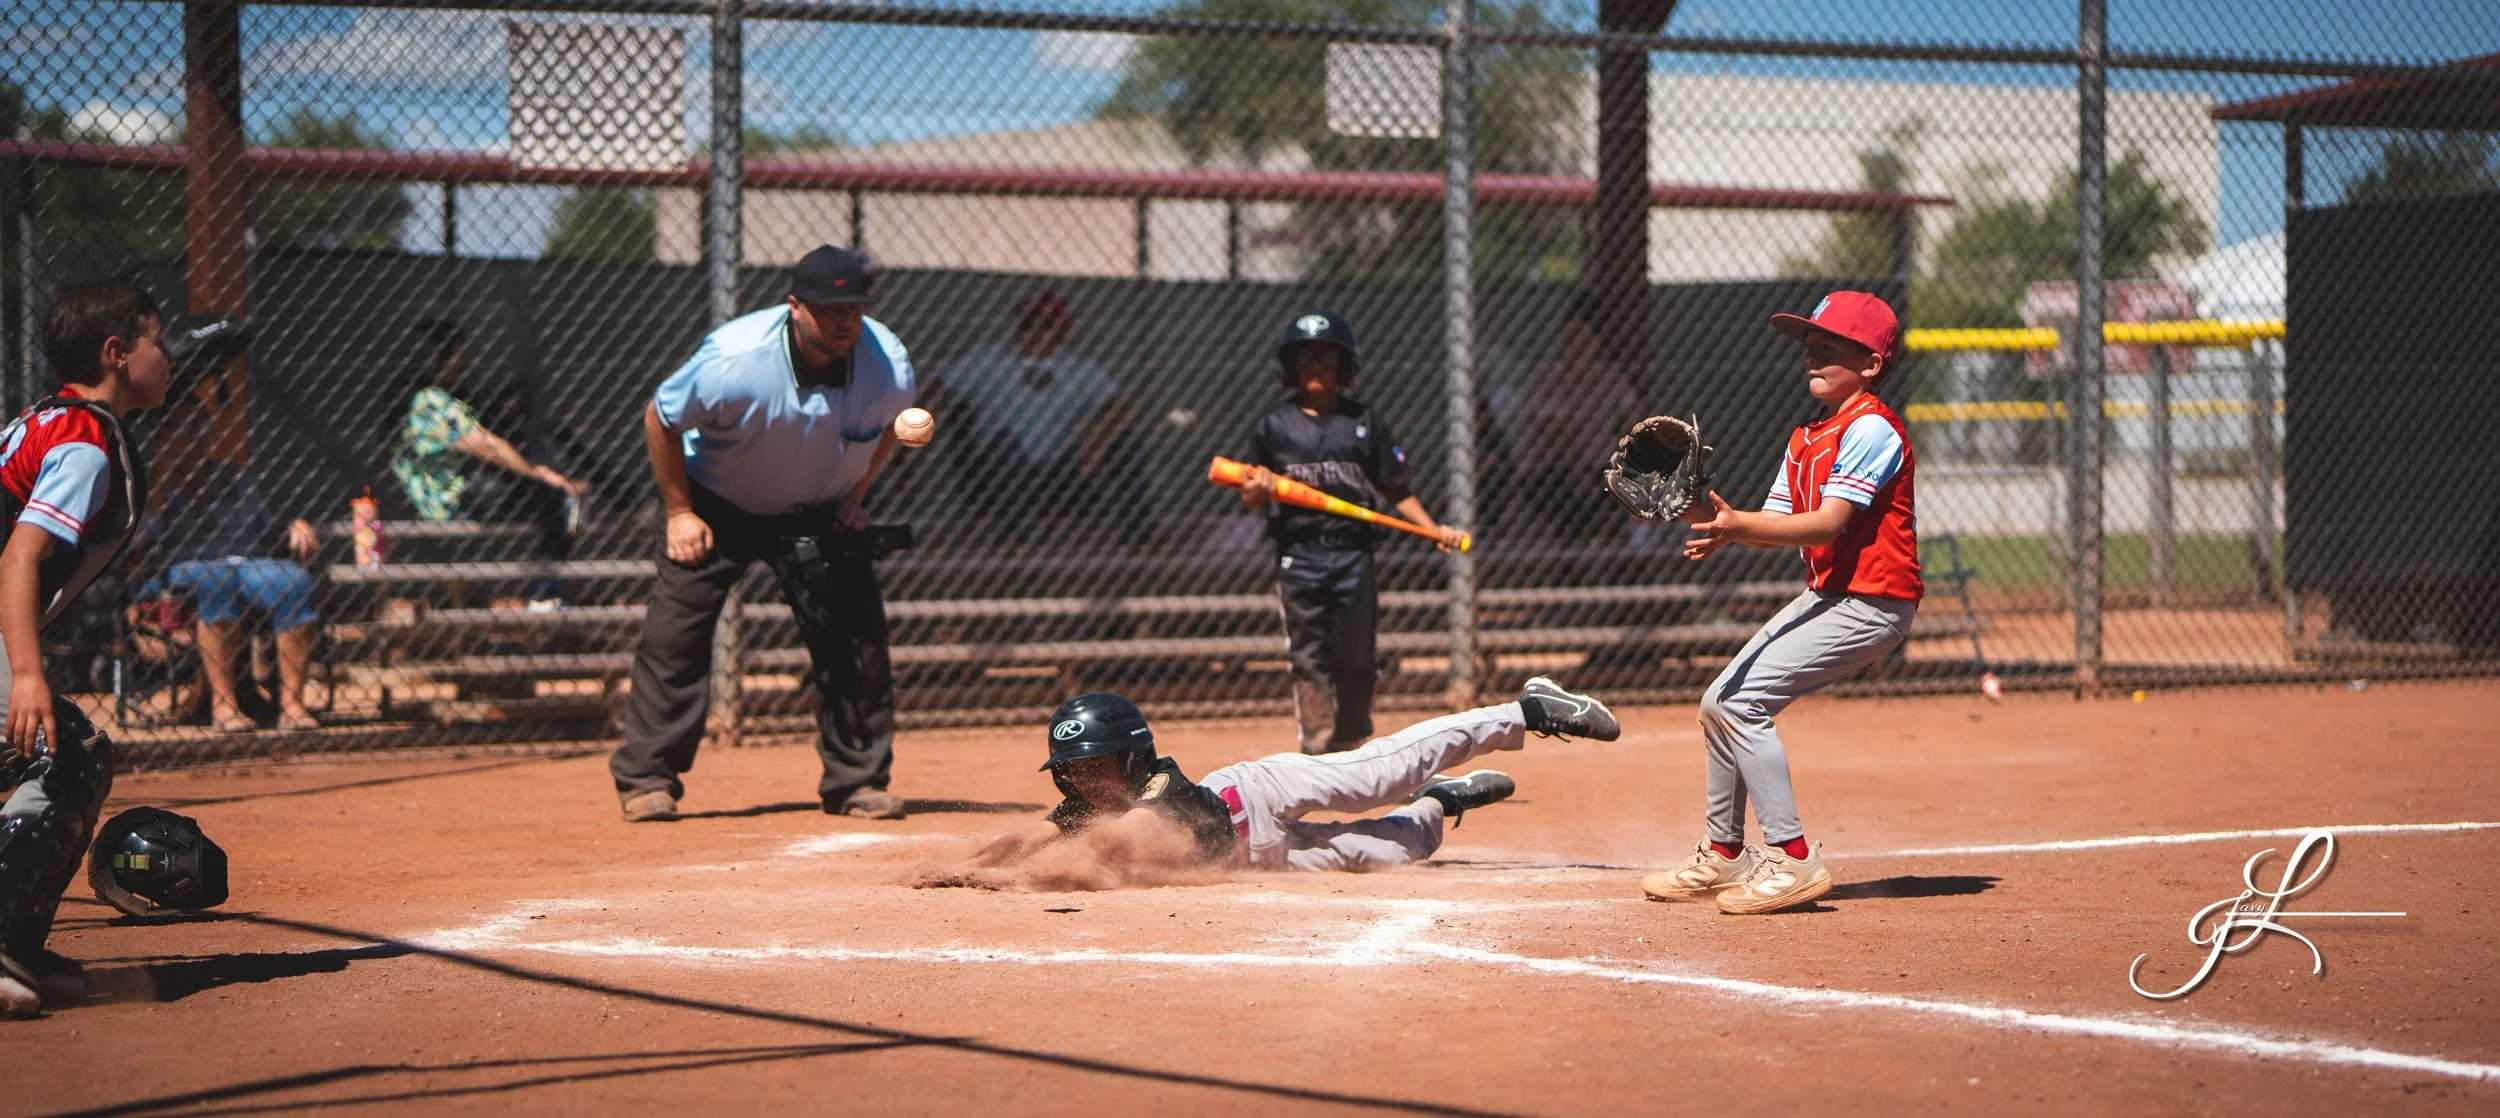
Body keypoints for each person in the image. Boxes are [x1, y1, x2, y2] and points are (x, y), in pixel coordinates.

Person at [609, 245, 916, 823]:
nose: (846, 320)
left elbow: (886, 433)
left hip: (819, 505)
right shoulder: (735, 358)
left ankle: (857, 780)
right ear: (794, 307)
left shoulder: (888, 362)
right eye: (830, 308)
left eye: (855, 307)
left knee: (855, 640)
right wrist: (680, 512)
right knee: (675, 638)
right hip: (717, 501)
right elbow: (662, 418)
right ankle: (648, 778)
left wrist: (855, 498)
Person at [1644, 291, 1922, 915]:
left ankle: (1793, 860)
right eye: (1809, 343)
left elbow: (1826, 525)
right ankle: (1724, 852)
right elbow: (1773, 521)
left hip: (1874, 602)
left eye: (1832, 345)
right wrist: (1697, 509)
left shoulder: (1871, 427)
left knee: (1745, 703)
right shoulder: (1805, 436)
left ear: (1872, 363)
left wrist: (1736, 525)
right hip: (1830, 595)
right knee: (1718, 701)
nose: (1813, 353)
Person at [970, 677, 1621, 875]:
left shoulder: (1156, 790)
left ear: (1133, 757)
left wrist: (1062, 861)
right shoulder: (1087, 806)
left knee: (1383, 775)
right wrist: (978, 866)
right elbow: (1036, 832)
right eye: (1073, 774)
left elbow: (1129, 834)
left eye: (1097, 767)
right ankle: (1443, 801)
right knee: (1397, 849)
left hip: (1260, 791)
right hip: (1262, 857)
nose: (1084, 784)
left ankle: (1525, 710)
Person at [0, 280, 173, 1016]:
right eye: (157, 342)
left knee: (73, 752)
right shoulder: (86, 442)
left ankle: (17, 945)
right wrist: (29, 676)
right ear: (115, 353)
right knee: (62, 751)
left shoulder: (47, 420)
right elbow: (20, 559)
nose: (168, 357)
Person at [1232, 309, 1466, 755]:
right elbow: (1253, 497)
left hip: (1354, 557)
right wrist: (1256, 491)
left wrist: (1433, 530)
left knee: (1357, 660)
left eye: (1325, 356)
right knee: (1309, 657)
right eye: (1305, 357)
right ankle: (1318, 752)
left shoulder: (1364, 421)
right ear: (1289, 366)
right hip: (1299, 557)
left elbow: (1395, 489)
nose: (1315, 365)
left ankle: (1352, 740)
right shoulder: (1274, 425)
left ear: (1345, 365)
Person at [928, 289, 1151, 546]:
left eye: (1044, 325)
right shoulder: (988, 359)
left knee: (1127, 442)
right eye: (1026, 324)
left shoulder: (1076, 368)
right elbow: (938, 389)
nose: (1031, 332)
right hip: (998, 470)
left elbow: (1120, 406)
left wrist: (1096, 445)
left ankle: (1140, 535)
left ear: (1061, 331)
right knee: (1005, 441)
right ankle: (1014, 540)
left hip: (1058, 472)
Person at [389, 320, 587, 604]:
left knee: (547, 490)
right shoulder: (429, 400)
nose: (462, 362)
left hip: (453, 495)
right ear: (436, 360)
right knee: (557, 498)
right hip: (452, 502)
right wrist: (538, 473)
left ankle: (546, 589)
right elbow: (485, 444)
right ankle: (544, 596)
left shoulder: (416, 398)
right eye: (456, 355)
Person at [132, 451, 324, 734]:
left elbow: (269, 527)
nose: (194, 435)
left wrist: (294, 524)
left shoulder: (235, 477)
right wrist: (159, 489)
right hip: (181, 564)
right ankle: (224, 706)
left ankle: (292, 705)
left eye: (200, 426)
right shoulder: (154, 478)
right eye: (183, 427)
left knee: (294, 581)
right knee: (215, 580)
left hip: (246, 562)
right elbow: (139, 539)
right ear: (165, 436)